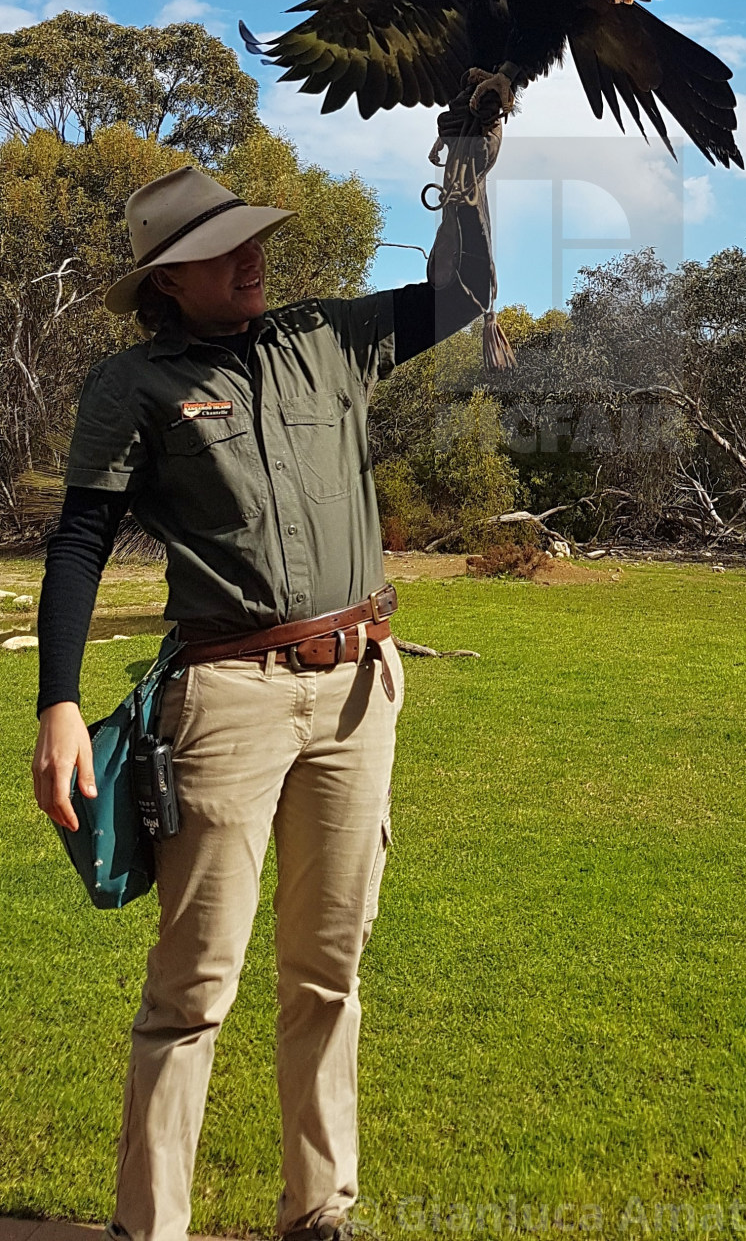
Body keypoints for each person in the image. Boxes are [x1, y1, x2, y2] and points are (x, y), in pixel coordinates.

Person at [32, 161, 489, 1241]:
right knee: (193, 988)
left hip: (355, 693)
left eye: (252, 236)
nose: (253, 255)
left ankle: (319, 1209)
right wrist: (58, 700)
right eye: (222, 247)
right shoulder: (133, 384)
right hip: (225, 696)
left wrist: (467, 169)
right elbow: (84, 537)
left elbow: (465, 292)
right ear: (167, 280)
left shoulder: (326, 337)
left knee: (329, 968)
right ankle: (154, 1227)